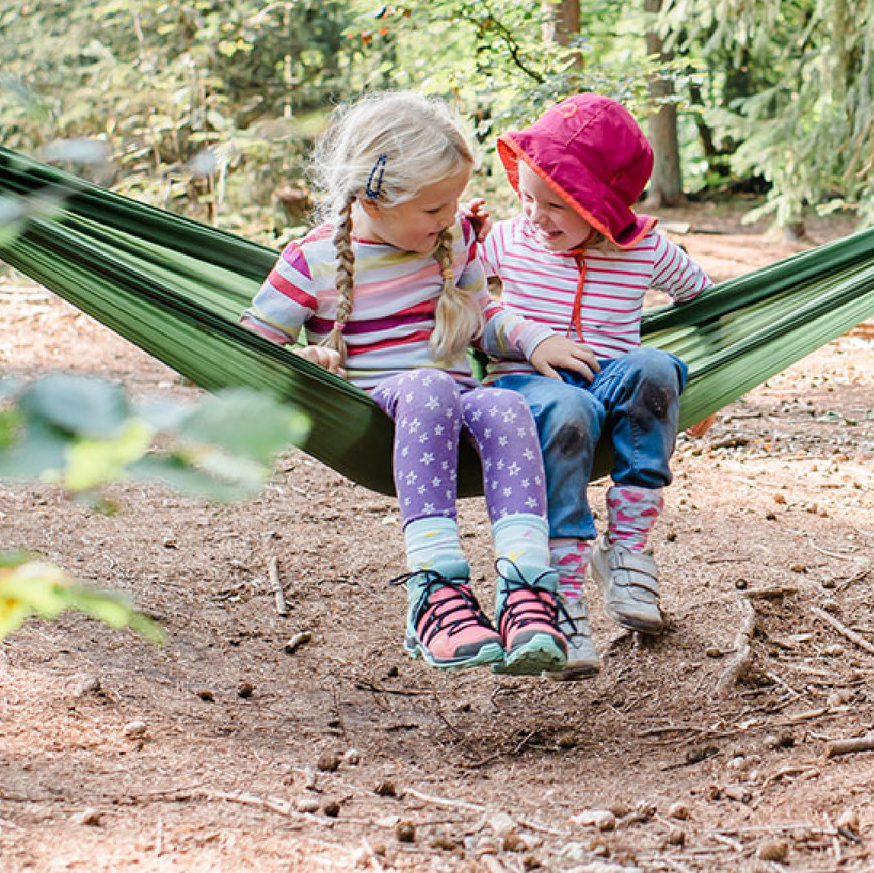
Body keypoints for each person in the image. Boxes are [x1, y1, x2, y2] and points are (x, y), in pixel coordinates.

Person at [241, 91, 589, 677]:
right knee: (430, 386)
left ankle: (528, 594)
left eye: (451, 204)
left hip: (459, 406)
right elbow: (250, 349)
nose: (448, 219)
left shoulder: (451, 244)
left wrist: (533, 341)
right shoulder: (311, 261)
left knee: (505, 404)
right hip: (376, 413)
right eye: (434, 210)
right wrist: (310, 356)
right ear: (374, 199)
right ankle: (434, 592)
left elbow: (483, 316)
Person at [481, 93, 711, 679]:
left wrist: (715, 389)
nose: (534, 215)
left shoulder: (643, 252)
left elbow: (707, 301)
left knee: (655, 366)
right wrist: (533, 339)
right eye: (526, 198)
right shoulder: (508, 241)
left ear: (600, 204)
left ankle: (627, 550)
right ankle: (561, 596)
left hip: (609, 388)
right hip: (527, 389)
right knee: (568, 404)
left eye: (554, 204)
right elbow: (465, 301)